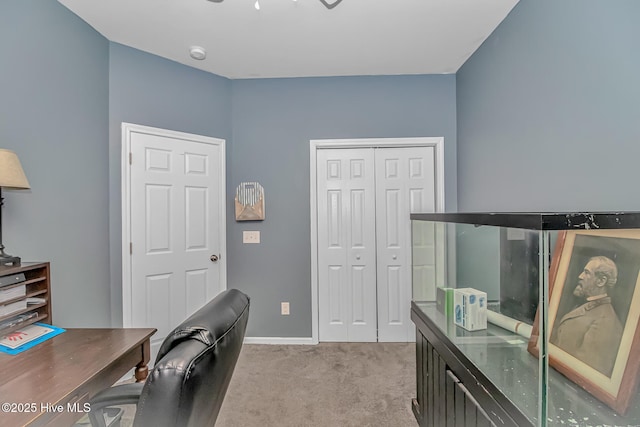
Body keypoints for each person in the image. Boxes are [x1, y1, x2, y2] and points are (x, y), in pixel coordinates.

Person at [550, 256, 623, 377]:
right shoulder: (586, 305)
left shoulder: (606, 321)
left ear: (601, 281)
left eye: (586, 273)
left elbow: (585, 374)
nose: (580, 276)